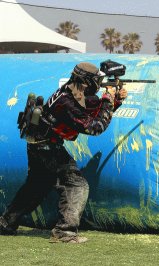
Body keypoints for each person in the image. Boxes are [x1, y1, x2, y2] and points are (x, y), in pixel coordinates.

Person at [0, 62, 127, 243]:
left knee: (36, 186)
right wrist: (108, 100)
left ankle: (6, 222)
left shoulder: (70, 92)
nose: (98, 85)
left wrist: (116, 101)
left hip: (39, 145)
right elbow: (95, 127)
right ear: (86, 81)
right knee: (76, 185)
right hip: (47, 148)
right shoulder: (66, 102)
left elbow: (94, 110)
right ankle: (64, 232)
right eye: (96, 81)